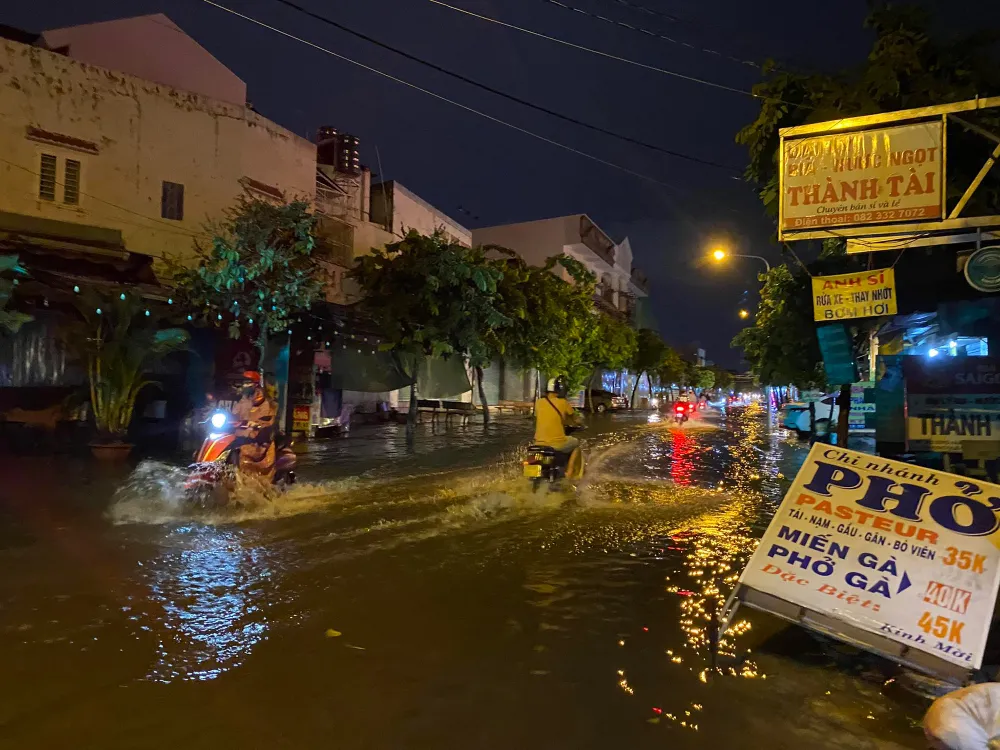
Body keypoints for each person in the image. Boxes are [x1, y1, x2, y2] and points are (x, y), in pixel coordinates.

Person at [533, 376, 584, 479]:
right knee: (576, 444)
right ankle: (569, 473)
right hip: (556, 443)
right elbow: (575, 419)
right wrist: (580, 424)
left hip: (538, 443)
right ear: (558, 390)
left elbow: (538, 418)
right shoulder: (563, 403)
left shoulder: (538, 403)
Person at [231, 371, 277, 474]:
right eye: (244, 383)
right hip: (239, 438)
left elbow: (267, 421)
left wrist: (256, 424)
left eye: (248, 383)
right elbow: (234, 415)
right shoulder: (243, 400)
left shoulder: (264, 402)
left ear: (255, 384)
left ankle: (245, 479)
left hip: (257, 441)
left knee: (245, 457)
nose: (245, 385)